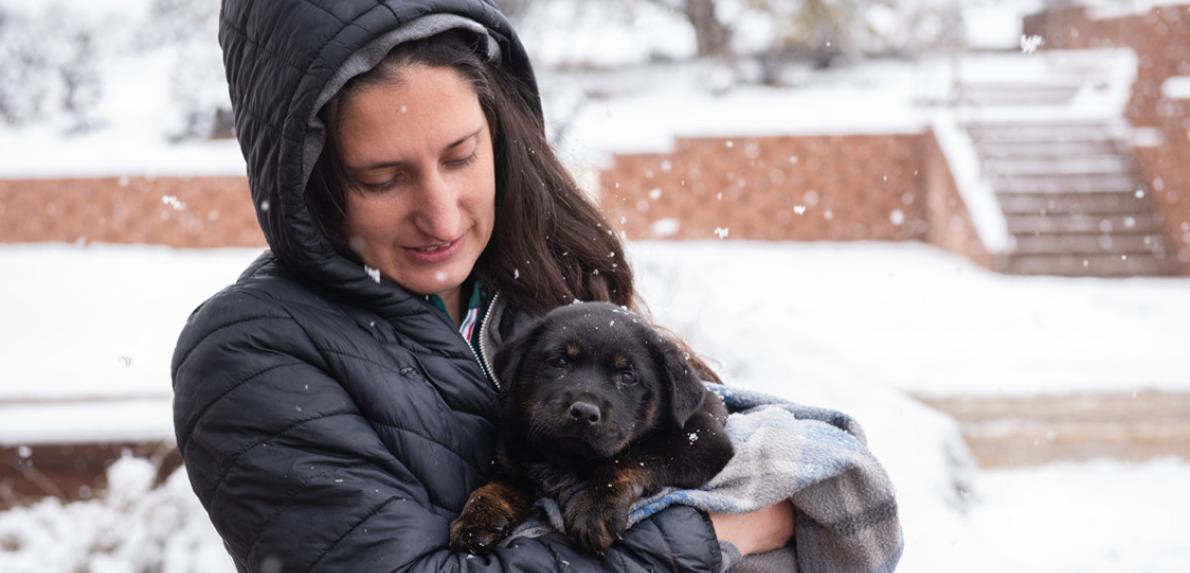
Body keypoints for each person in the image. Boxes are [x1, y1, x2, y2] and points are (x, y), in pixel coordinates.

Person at [174, 1, 795, 570]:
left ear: (498, 135)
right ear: (309, 185)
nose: (442, 217)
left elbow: (706, 437)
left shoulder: (542, 278)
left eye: (461, 156)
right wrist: (715, 536)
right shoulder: (251, 352)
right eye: (383, 179)